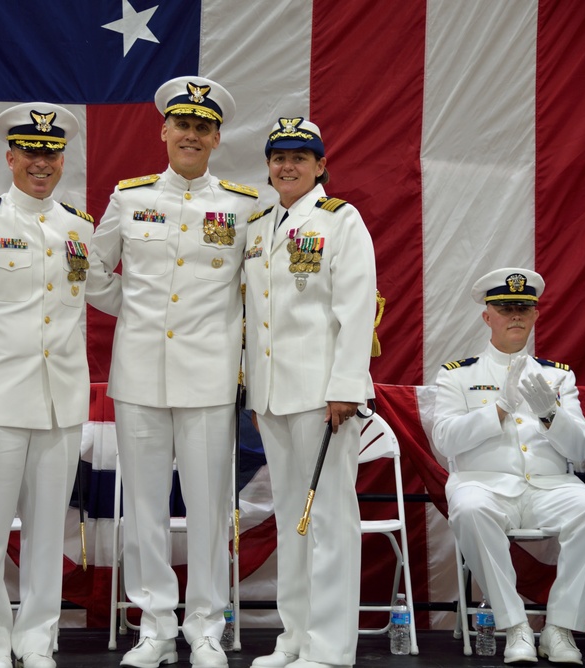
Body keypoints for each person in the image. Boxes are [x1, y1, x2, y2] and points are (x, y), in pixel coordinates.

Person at [0, 103, 112, 668]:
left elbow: (114, 294)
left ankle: (36, 641)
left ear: (62, 160)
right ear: (9, 157)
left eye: (50, 154)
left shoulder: (79, 228)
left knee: (45, 537)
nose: (40, 163)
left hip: (59, 406)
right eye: (30, 153)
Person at [86, 76, 259, 668]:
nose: (191, 134)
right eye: (181, 125)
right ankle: (155, 626)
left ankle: (205, 628)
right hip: (139, 374)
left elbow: (258, 291)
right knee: (143, 508)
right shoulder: (130, 198)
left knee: (210, 509)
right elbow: (88, 268)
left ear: (216, 138)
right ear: (164, 131)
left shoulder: (243, 206)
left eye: (202, 127)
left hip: (210, 376)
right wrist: (131, 308)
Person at [241, 117, 376, 668]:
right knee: (292, 519)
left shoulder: (341, 221)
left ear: (321, 165)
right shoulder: (257, 225)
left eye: (300, 156)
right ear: (269, 165)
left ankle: (331, 647)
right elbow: (254, 317)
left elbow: (356, 308)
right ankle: (294, 637)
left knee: (329, 521)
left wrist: (345, 387)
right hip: (272, 396)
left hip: (324, 397)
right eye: (279, 156)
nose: (288, 165)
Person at [432, 268, 585, 665]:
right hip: (484, 485)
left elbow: (582, 447)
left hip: (550, 486)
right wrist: (498, 408)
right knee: (469, 508)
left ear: (535, 315)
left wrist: (550, 413)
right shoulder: (458, 375)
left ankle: (559, 628)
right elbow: (444, 439)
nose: (515, 315)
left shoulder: (556, 376)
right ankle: (515, 624)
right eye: (505, 308)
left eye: (524, 308)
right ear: (487, 316)